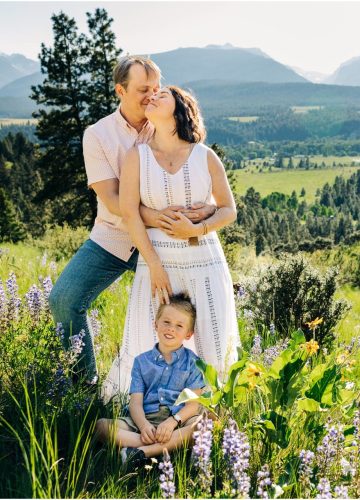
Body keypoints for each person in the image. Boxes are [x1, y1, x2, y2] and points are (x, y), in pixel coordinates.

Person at [48, 56, 215, 384]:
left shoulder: (167, 121)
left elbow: (197, 174)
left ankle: (190, 390)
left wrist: (203, 214)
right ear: (120, 90)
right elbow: (110, 199)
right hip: (112, 237)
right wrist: (156, 216)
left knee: (184, 316)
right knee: (64, 300)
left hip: (165, 242)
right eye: (142, 90)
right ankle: (85, 388)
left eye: (156, 88)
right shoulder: (97, 135)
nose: (152, 96)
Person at [101, 84, 240, 400]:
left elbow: (228, 210)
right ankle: (141, 412)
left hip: (205, 262)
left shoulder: (205, 156)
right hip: (158, 263)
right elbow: (130, 214)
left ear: (180, 111)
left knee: (213, 341)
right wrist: (153, 265)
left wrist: (198, 230)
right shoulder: (138, 157)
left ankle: (210, 419)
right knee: (147, 338)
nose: (152, 97)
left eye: (162, 95)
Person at [95, 295, 206, 467]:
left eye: (179, 326)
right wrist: (145, 426)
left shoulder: (194, 363)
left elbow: (192, 406)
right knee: (101, 426)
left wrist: (172, 422)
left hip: (177, 421)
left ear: (188, 333)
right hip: (144, 420)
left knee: (202, 427)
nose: (171, 329)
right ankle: (161, 448)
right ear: (156, 324)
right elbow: (135, 403)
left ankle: (140, 453)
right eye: (166, 322)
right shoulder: (141, 361)